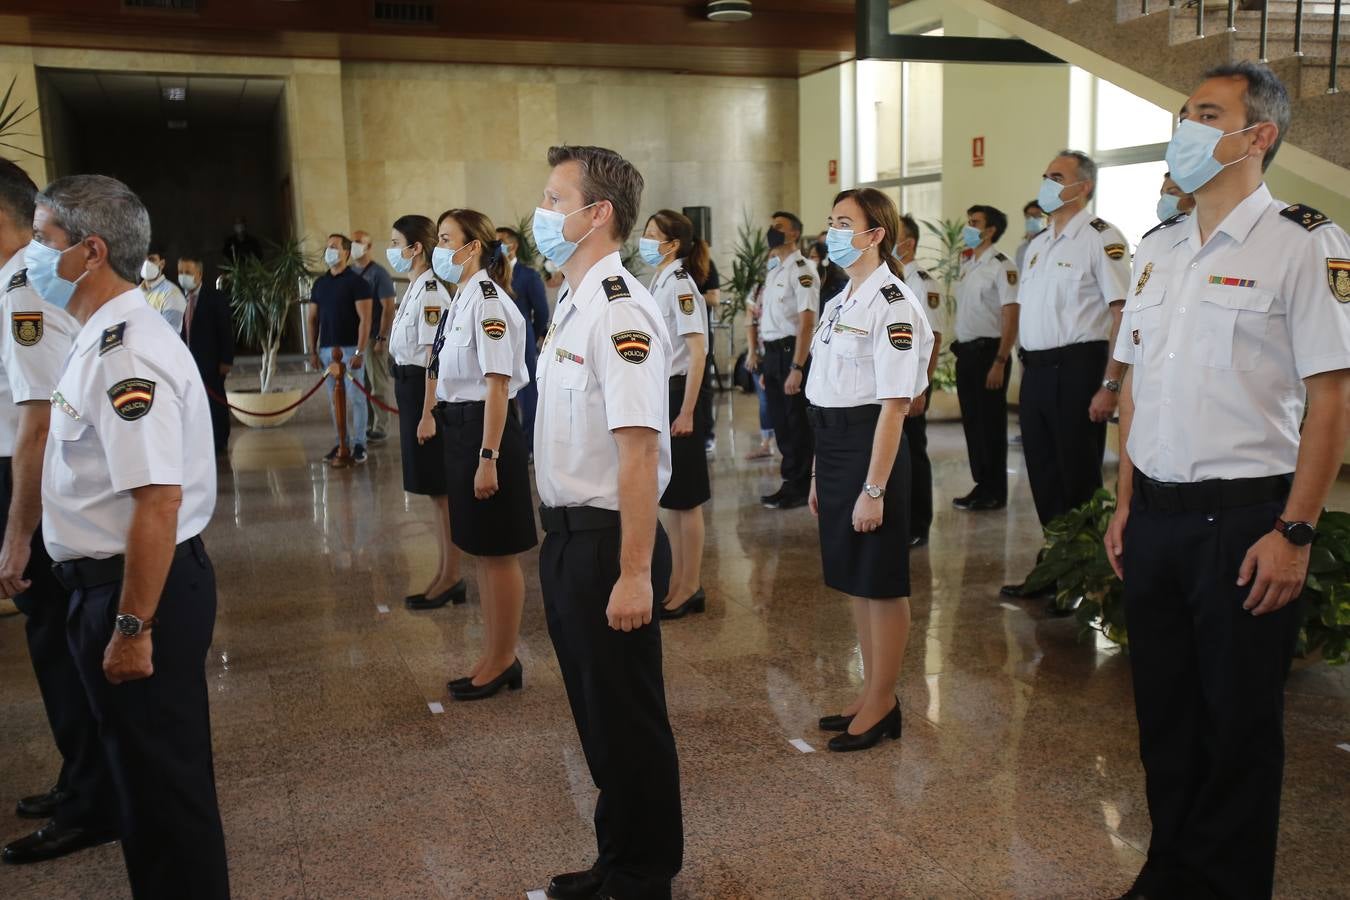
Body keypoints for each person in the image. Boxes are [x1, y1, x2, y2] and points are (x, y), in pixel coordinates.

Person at [1105, 62, 1350, 900]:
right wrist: (1125, 504)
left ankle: (1227, 885)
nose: (1185, 126)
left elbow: (1330, 400)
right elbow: (1138, 388)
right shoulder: (1160, 247)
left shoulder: (1306, 241)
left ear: (1259, 136)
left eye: (1206, 113)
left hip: (1246, 520)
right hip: (1159, 521)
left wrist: (1294, 533)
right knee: (1165, 717)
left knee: (1239, 724)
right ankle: (1169, 869)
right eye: (1183, 111)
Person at [29, 173, 229, 897]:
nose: (33, 254)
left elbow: (157, 502)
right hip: (119, 582)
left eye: (45, 239)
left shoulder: (124, 351)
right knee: (147, 786)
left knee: (164, 797)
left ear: (92, 250)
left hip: (137, 587)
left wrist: (133, 625)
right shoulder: (106, 335)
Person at [531, 145, 681, 900]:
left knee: (626, 719)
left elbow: (637, 450)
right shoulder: (574, 300)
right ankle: (617, 859)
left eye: (556, 199)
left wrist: (632, 573)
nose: (543, 213)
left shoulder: (621, 307)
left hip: (606, 543)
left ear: (600, 215)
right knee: (599, 717)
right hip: (565, 537)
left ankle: (643, 873)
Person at [0, 160, 115, 866]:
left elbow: (36, 423)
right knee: (51, 645)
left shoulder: (25, 291)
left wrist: (17, 532)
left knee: (59, 647)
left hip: (35, 486)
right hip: (26, 478)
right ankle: (81, 777)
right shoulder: (19, 283)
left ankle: (92, 800)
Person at [807, 187, 932, 753]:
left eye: (843, 223)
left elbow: (894, 405)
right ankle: (870, 689)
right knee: (857, 578)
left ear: (875, 234)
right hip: (834, 445)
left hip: (871, 449)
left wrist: (874, 488)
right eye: (830, 221)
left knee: (880, 582)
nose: (831, 231)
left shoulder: (895, 304)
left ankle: (884, 700)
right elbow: (825, 392)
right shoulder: (839, 300)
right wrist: (815, 473)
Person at [1001, 150, 1131, 602]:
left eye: (1056, 176)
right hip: (1037, 372)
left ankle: (1083, 578)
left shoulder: (1101, 237)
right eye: (1044, 175)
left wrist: (1110, 384)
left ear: (1084, 187)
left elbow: (1122, 314)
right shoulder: (1037, 245)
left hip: (1078, 369)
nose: (1047, 183)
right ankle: (1055, 565)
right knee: (1043, 474)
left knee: (1077, 478)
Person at [423, 209, 536, 700]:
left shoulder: (489, 301)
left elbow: (497, 384)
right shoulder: (463, 298)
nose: (439, 249)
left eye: (447, 239)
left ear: (472, 248)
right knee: (483, 552)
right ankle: (493, 654)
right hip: (464, 429)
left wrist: (488, 456)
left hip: (486, 432)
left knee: (498, 551)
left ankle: (504, 658)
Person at [385, 215, 466, 611]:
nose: (393, 249)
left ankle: (452, 575)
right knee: (433, 491)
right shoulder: (416, 288)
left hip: (423, 392)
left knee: (441, 490)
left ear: (416, 248)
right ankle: (445, 572)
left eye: (397, 242)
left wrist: (428, 411)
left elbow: (435, 357)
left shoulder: (432, 291)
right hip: (410, 388)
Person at [640, 210, 711, 620]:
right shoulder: (663, 279)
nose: (646, 241)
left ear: (673, 244)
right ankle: (679, 581)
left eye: (653, 235)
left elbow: (697, 354)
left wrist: (686, 412)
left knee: (687, 500)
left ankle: (691, 585)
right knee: (674, 496)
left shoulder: (681, 284)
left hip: (682, 394)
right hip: (664, 393)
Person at [746, 211, 818, 509]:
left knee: (796, 424)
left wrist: (797, 368)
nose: (772, 231)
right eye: (772, 225)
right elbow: (766, 319)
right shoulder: (775, 270)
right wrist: (765, 362)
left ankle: (801, 486)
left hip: (792, 354)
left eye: (779, 227)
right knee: (781, 423)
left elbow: (806, 322)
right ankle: (790, 482)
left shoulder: (802, 270)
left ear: (794, 235)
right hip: (774, 354)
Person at [951, 205, 1019, 513]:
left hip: (989, 354)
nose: (969, 227)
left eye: (975, 223)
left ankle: (995, 490)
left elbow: (1010, 314)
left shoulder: (1002, 266)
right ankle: (982, 483)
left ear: (990, 230)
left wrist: (1001, 360)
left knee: (990, 425)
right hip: (966, 353)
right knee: (972, 423)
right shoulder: (970, 263)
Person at [897, 212, 948, 547]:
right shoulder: (891, 278)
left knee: (914, 452)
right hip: (888, 386)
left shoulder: (922, 282)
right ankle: (900, 519)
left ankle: (919, 524)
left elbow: (934, 337)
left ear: (909, 242)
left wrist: (921, 388)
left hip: (910, 384)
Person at [306, 233, 373, 464]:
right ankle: (340, 441)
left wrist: (359, 352)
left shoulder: (357, 283)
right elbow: (312, 319)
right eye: (327, 247)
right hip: (327, 351)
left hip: (350, 349)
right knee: (335, 400)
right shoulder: (320, 284)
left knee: (356, 398)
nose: (329, 251)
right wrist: (312, 350)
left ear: (346, 252)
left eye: (334, 247)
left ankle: (359, 444)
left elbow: (365, 319)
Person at [496, 225, 549, 448]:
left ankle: (528, 444)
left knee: (527, 394)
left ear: (513, 245)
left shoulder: (528, 275)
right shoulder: (492, 274)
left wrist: (533, 335)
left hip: (523, 339)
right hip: (497, 340)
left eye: (500, 241)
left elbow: (542, 310)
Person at [177, 254, 235, 454]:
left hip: (211, 362)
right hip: (186, 362)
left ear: (199, 274)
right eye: (181, 272)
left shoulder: (215, 298)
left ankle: (220, 441)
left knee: (215, 401)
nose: (183, 276)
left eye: (188, 272)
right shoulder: (176, 298)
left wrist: (226, 359)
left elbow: (226, 330)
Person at [349, 229, 395, 444]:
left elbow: (388, 308)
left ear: (368, 247)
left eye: (359, 242)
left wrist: (381, 338)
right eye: (352, 242)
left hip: (373, 336)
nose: (354, 246)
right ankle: (366, 424)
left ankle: (380, 426)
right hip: (355, 338)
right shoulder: (349, 272)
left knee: (377, 383)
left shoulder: (378, 274)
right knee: (361, 384)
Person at [139, 249, 186, 332]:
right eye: (143, 259)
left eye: (151, 259)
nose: (146, 264)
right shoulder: (136, 292)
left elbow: (169, 335)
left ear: (162, 264)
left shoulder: (172, 294)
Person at [1014, 200, 1045, 272]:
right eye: (1028, 215)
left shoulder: (1050, 244)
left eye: (1037, 215)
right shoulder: (1021, 248)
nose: (1031, 219)